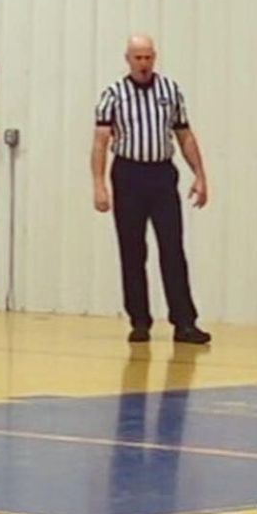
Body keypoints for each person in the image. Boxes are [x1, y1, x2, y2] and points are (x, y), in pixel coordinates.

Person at [91, 35, 211, 344]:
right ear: (128, 59)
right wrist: (99, 185)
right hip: (128, 174)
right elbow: (101, 142)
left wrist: (200, 175)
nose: (143, 64)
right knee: (132, 250)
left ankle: (184, 321)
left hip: (161, 174)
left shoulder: (170, 91)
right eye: (137, 58)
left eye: (148, 58)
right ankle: (139, 320)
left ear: (154, 58)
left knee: (172, 248)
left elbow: (184, 135)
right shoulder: (113, 95)